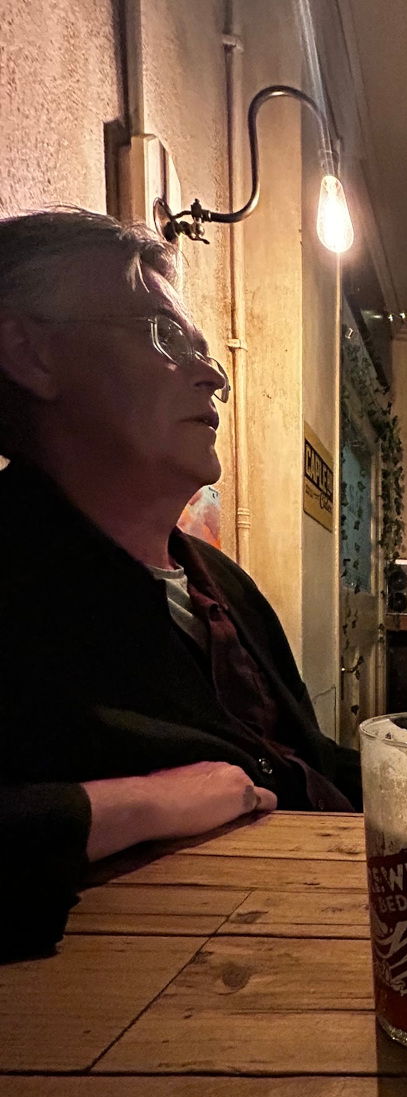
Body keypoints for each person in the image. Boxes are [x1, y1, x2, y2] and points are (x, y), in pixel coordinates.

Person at [0, 208, 360, 955]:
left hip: (308, 933)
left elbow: (297, 760)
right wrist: (138, 804)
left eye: (204, 348)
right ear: (30, 352)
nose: (215, 375)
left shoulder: (222, 581)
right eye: (166, 336)